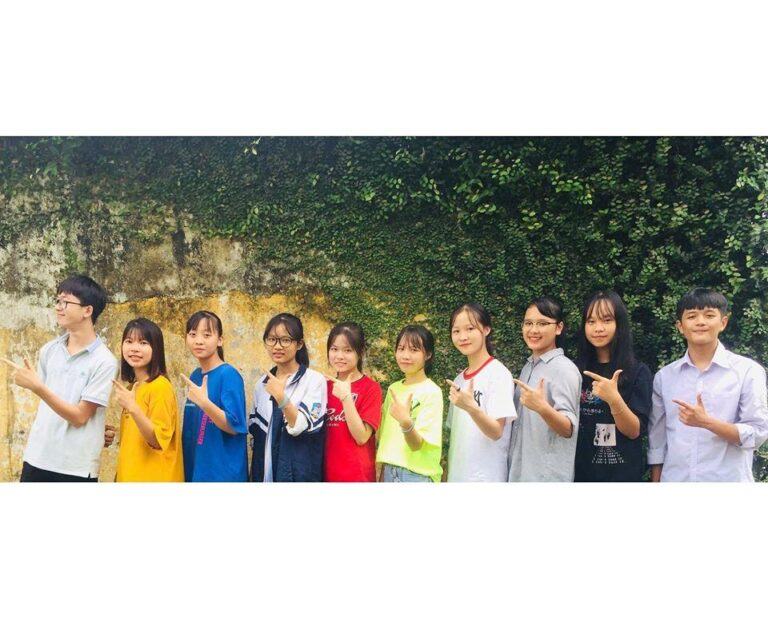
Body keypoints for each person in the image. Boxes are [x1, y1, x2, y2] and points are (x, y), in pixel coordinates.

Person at [3, 275, 117, 482]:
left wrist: (37, 387)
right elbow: (52, 403)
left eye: (65, 302)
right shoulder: (49, 350)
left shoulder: (105, 361)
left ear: (87, 311)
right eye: (57, 301)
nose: (58, 307)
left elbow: (80, 417)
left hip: (76, 466)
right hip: (38, 457)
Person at [648, 288, 768, 482]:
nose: (700, 322)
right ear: (680, 326)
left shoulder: (748, 371)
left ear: (723, 323)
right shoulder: (665, 377)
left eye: (709, 315)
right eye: (692, 316)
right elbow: (657, 441)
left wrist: (706, 422)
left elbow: (758, 433)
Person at [574, 291, 652, 482]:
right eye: (591, 321)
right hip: (581, 474)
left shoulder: (638, 372)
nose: (598, 328)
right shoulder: (575, 370)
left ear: (619, 324)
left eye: (606, 320)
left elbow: (634, 431)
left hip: (622, 476)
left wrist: (614, 399)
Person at [508, 296, 581, 482]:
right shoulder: (528, 367)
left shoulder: (564, 369)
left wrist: (542, 407)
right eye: (528, 323)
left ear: (558, 327)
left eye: (542, 323)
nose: (533, 330)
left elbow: (568, 429)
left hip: (546, 478)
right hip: (520, 473)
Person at [249, 313, 327, 482]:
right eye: (271, 339)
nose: (277, 346)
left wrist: (280, 397)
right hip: (265, 475)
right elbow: (256, 433)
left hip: (300, 475)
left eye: (285, 340)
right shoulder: (261, 384)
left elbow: (299, 426)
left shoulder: (314, 380)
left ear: (299, 344)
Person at [445, 303, 516, 482]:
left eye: (470, 329)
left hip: (486, 478)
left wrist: (472, 408)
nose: (463, 337)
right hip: (457, 477)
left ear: (486, 330)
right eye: (456, 331)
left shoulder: (499, 374)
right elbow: (457, 437)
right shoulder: (459, 380)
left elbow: (496, 432)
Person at [112, 318, 184, 482]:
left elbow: (158, 440)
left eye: (143, 343)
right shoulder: (133, 387)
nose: (134, 348)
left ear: (156, 349)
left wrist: (133, 408)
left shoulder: (160, 387)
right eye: (129, 341)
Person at [180, 310, 248, 482]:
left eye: (207, 335)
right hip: (197, 470)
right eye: (193, 334)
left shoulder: (229, 375)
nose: (198, 341)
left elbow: (235, 426)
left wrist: (205, 403)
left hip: (222, 475)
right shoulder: (196, 375)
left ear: (220, 340)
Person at [376, 325, 443, 483]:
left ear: (428, 354)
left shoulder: (432, 392)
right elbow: (383, 436)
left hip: (416, 475)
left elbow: (416, 445)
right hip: (389, 470)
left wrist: (405, 422)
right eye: (401, 349)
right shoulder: (393, 389)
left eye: (414, 350)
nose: (406, 356)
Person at [324, 322, 382, 482]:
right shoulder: (324, 387)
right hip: (326, 475)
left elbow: (362, 437)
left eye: (347, 350)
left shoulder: (371, 388)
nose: (339, 356)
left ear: (360, 352)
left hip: (357, 477)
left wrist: (346, 399)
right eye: (334, 349)